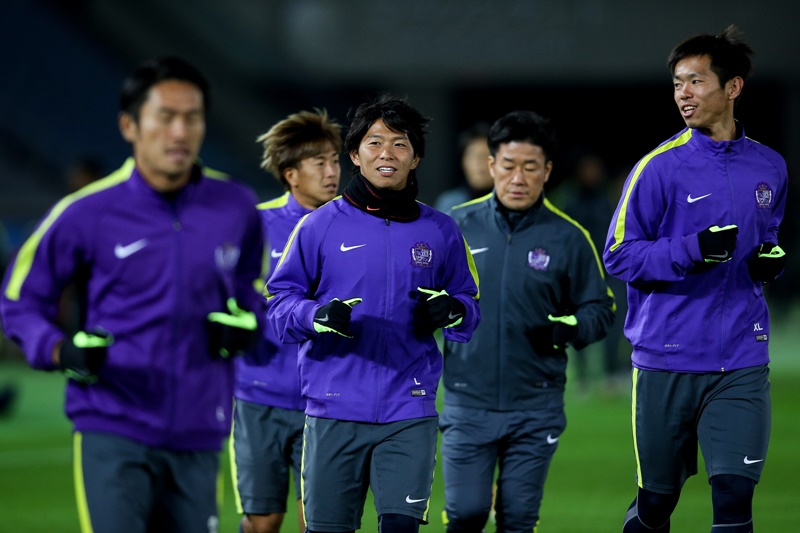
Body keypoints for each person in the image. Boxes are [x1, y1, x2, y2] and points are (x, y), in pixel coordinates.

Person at [0, 56, 265, 533]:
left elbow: (254, 290)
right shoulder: (85, 211)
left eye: (192, 117)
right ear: (130, 125)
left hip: (201, 428)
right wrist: (60, 349)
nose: (180, 131)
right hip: (112, 423)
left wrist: (249, 324)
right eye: (166, 116)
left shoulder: (236, 206)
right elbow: (19, 300)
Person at [265, 93, 480, 533]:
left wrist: (453, 310)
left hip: (410, 409)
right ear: (355, 155)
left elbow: (469, 301)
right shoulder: (319, 225)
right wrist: (316, 315)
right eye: (375, 143)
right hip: (333, 409)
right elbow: (280, 303)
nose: (387, 154)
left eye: (400, 144)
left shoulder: (441, 230)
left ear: (415, 158)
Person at [603, 25, 787, 533]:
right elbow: (618, 255)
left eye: (696, 81)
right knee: (656, 504)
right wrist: (691, 250)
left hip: (742, 358)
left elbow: (769, 235)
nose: (683, 94)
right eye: (678, 84)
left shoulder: (770, 167)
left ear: (733, 87)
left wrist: (770, 260)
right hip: (667, 360)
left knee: (734, 497)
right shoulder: (657, 168)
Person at [441, 110, 615, 532]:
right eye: (508, 165)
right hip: (467, 402)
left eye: (530, 167)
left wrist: (572, 328)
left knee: (518, 519)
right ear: (491, 165)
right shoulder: (454, 227)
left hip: (536, 405)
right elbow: (418, 295)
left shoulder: (569, 237)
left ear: (547, 171)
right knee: (465, 514)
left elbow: (600, 307)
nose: (518, 178)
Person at [231, 108, 342, 533]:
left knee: (317, 522)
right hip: (260, 395)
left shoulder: (354, 228)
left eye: (335, 160)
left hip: (327, 401)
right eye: (320, 163)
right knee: (263, 522)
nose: (332, 172)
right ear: (291, 174)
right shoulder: (255, 226)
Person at [562, 152, 630, 393]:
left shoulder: (608, 200)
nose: (591, 174)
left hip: (611, 271)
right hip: (582, 272)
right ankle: (582, 376)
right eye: (586, 169)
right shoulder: (571, 201)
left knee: (615, 322)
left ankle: (611, 371)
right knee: (581, 319)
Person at [434, 123, 493, 213]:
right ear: (463, 161)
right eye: (474, 156)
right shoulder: (449, 204)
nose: (480, 163)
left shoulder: (509, 202)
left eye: (486, 156)